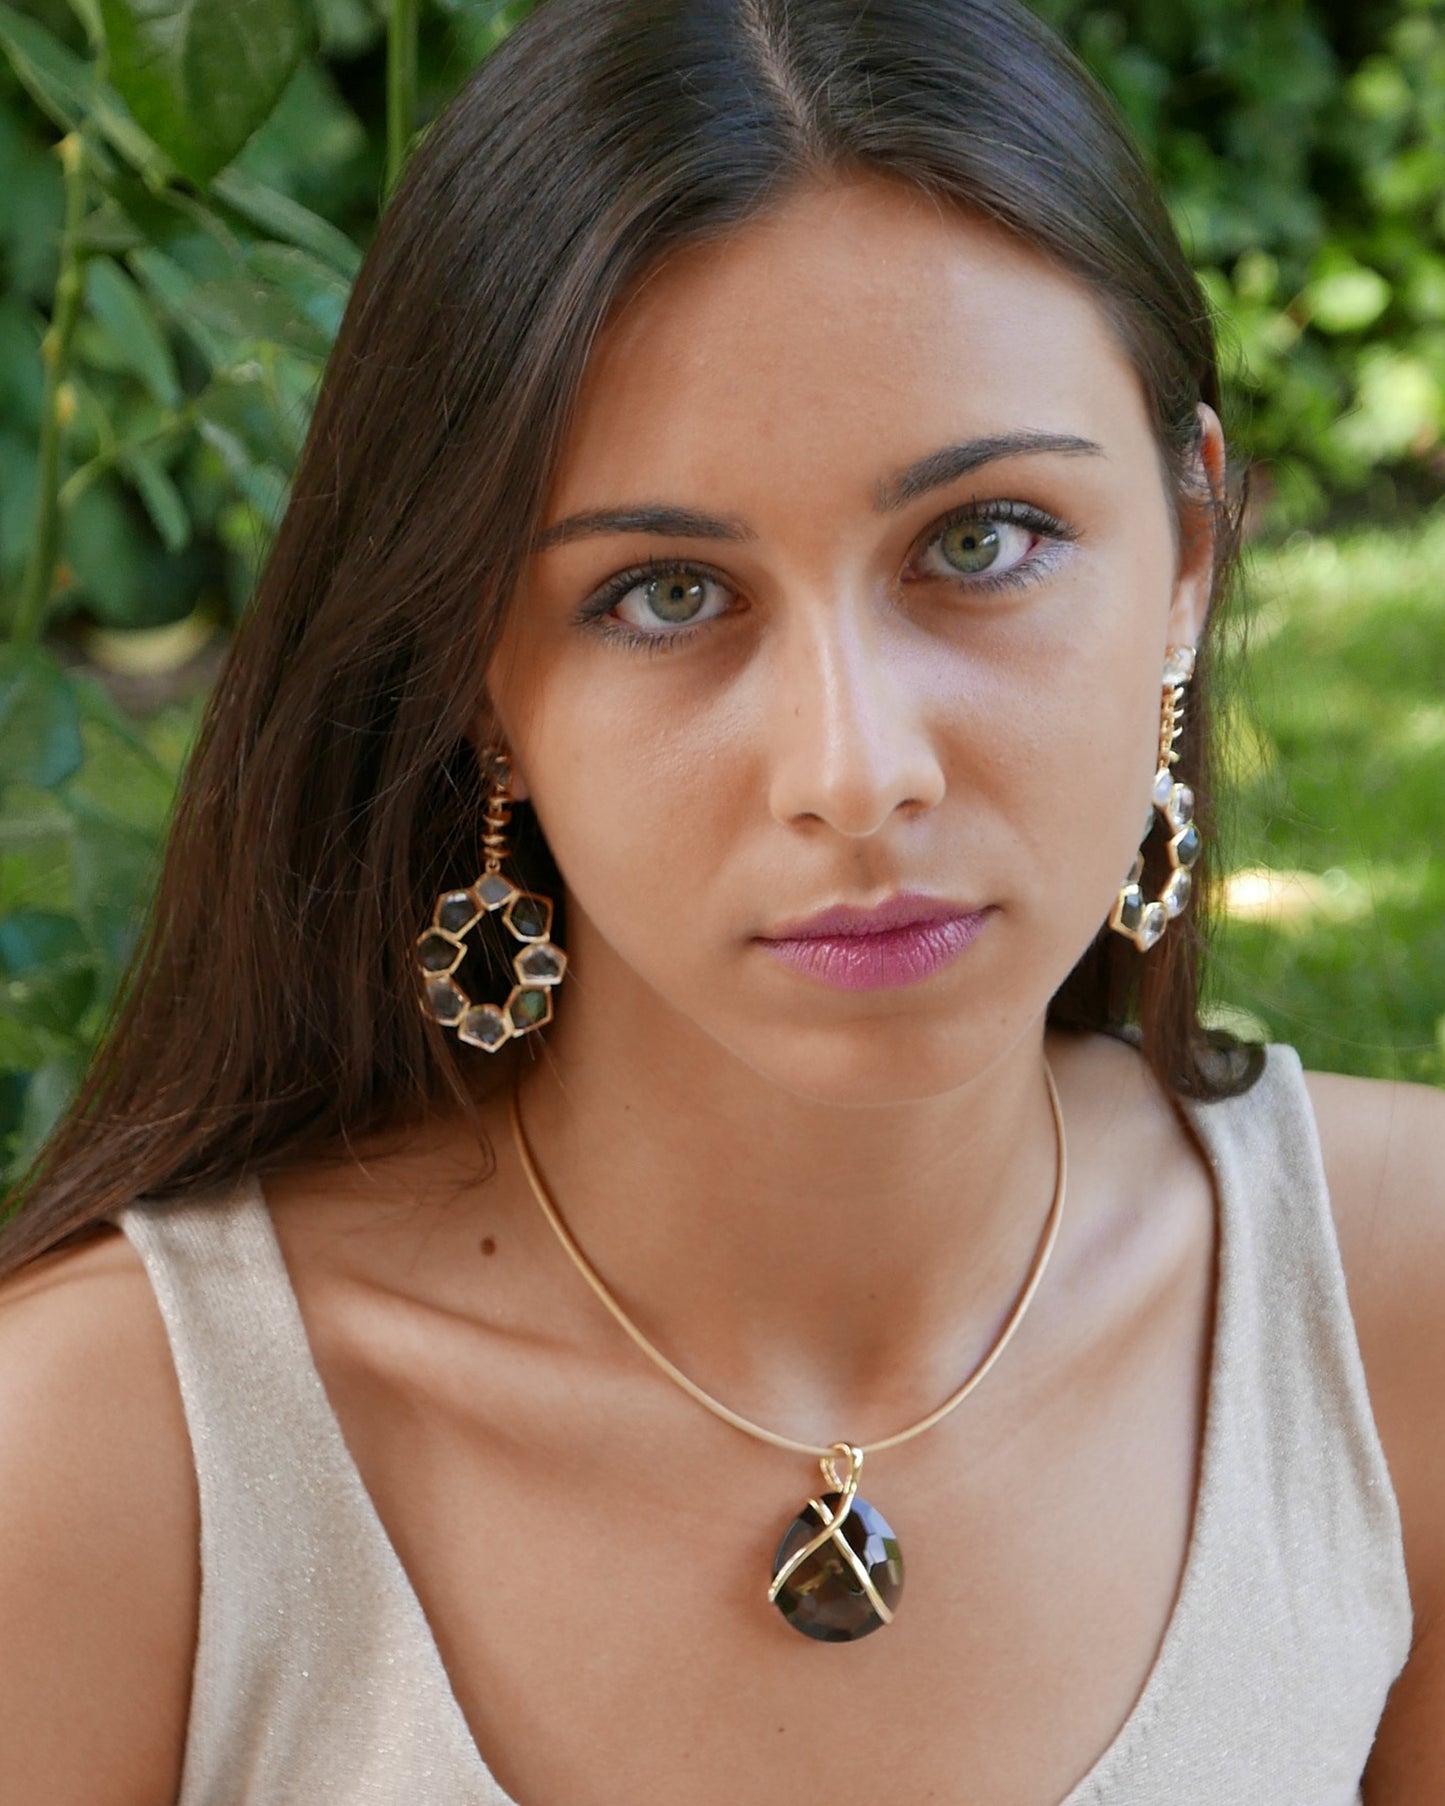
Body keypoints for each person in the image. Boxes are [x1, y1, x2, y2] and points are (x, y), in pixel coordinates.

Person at [1, 0, 1441, 1799]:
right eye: (666, 593)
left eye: (981, 540)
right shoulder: (114, 1457)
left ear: (1185, 556)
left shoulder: (1398, 1312)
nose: (855, 768)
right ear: (474, 675)